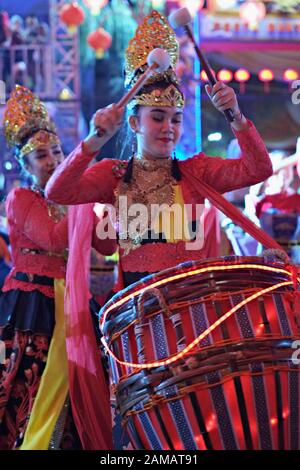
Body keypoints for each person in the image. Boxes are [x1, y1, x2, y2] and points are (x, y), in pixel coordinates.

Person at [46, 10, 273, 289]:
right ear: (133, 122)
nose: (168, 127)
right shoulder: (113, 176)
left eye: (175, 119)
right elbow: (58, 192)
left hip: (192, 307)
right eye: (157, 117)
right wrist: (94, 140)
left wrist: (236, 116)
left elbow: (259, 169)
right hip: (137, 313)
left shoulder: (196, 172)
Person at [0, 85, 113, 450]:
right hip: (32, 305)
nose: (52, 160)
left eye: (58, 152)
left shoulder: (75, 201)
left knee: (78, 382)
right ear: (26, 165)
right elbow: (51, 239)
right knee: (23, 381)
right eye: (41, 156)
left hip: (71, 301)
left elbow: (108, 245)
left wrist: (110, 201)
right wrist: (82, 197)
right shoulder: (20, 199)